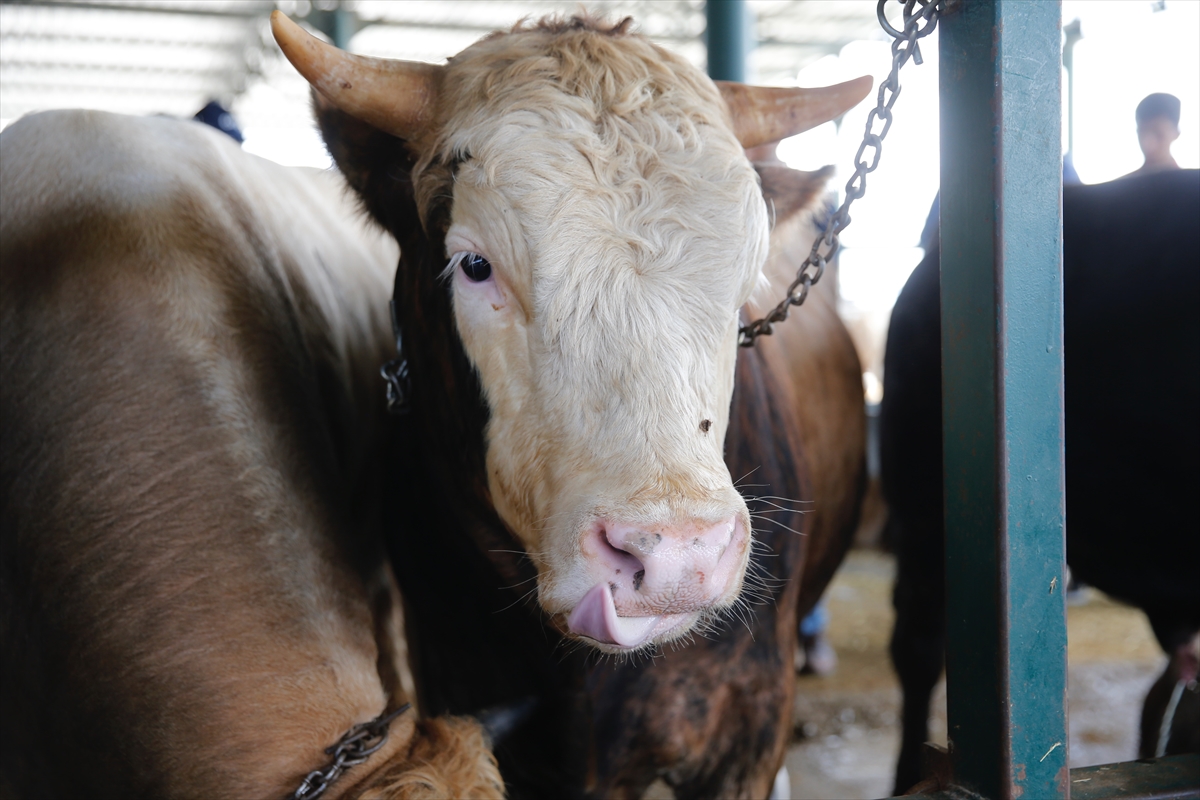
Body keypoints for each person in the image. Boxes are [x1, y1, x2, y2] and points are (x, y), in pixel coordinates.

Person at [1125, 92, 1182, 178]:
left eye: (1158, 134)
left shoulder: (1193, 186)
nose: (1149, 143)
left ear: (1176, 133)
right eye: (1143, 133)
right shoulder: (1120, 189)